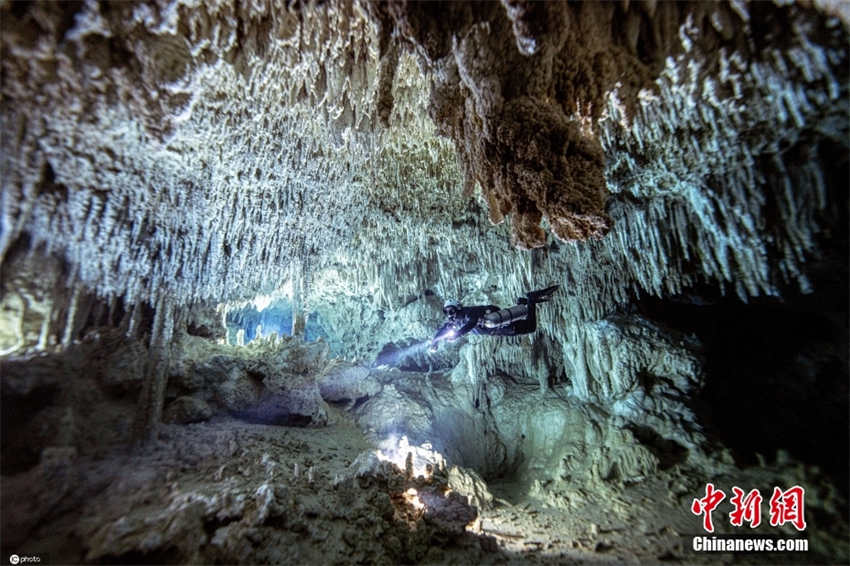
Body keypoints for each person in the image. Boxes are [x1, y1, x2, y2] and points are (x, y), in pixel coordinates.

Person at [428, 285, 560, 352]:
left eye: (451, 310)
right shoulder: (456, 321)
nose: (450, 315)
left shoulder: (468, 313)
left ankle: (531, 298)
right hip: (501, 329)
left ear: (458, 308)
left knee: (531, 326)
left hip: (503, 327)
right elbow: (443, 329)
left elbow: (472, 323)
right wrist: (435, 341)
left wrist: (457, 334)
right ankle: (523, 302)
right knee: (524, 318)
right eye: (447, 312)